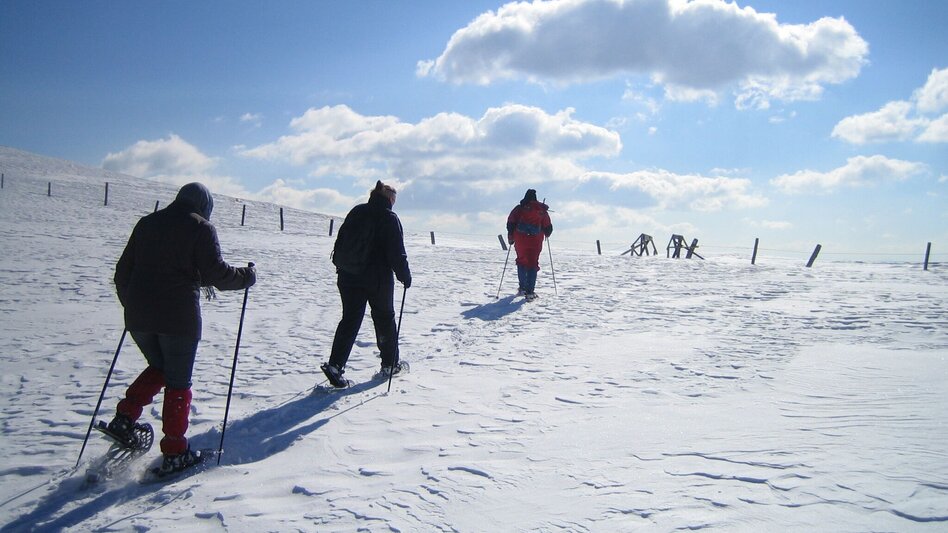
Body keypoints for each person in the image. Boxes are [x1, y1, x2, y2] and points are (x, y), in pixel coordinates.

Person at [108, 182, 255, 475]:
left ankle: (124, 417)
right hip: (178, 319)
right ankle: (175, 452)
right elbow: (216, 273)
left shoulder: (147, 223)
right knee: (178, 381)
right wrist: (246, 276)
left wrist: (133, 305)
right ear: (204, 206)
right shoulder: (201, 228)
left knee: (160, 367)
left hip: (138, 317)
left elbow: (123, 272)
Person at [322, 180, 411, 388]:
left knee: (350, 319)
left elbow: (341, 241)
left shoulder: (357, 211)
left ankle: (335, 366)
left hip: (348, 275)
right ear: (390, 198)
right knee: (384, 318)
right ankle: (390, 365)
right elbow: (396, 252)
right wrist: (404, 275)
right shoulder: (389, 218)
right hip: (377, 278)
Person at [506, 189, 553, 301]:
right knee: (533, 263)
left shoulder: (519, 209)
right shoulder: (541, 210)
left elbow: (510, 223)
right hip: (535, 240)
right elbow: (548, 228)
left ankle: (522, 288)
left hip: (520, 239)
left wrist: (511, 237)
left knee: (521, 261)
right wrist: (546, 233)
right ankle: (530, 291)